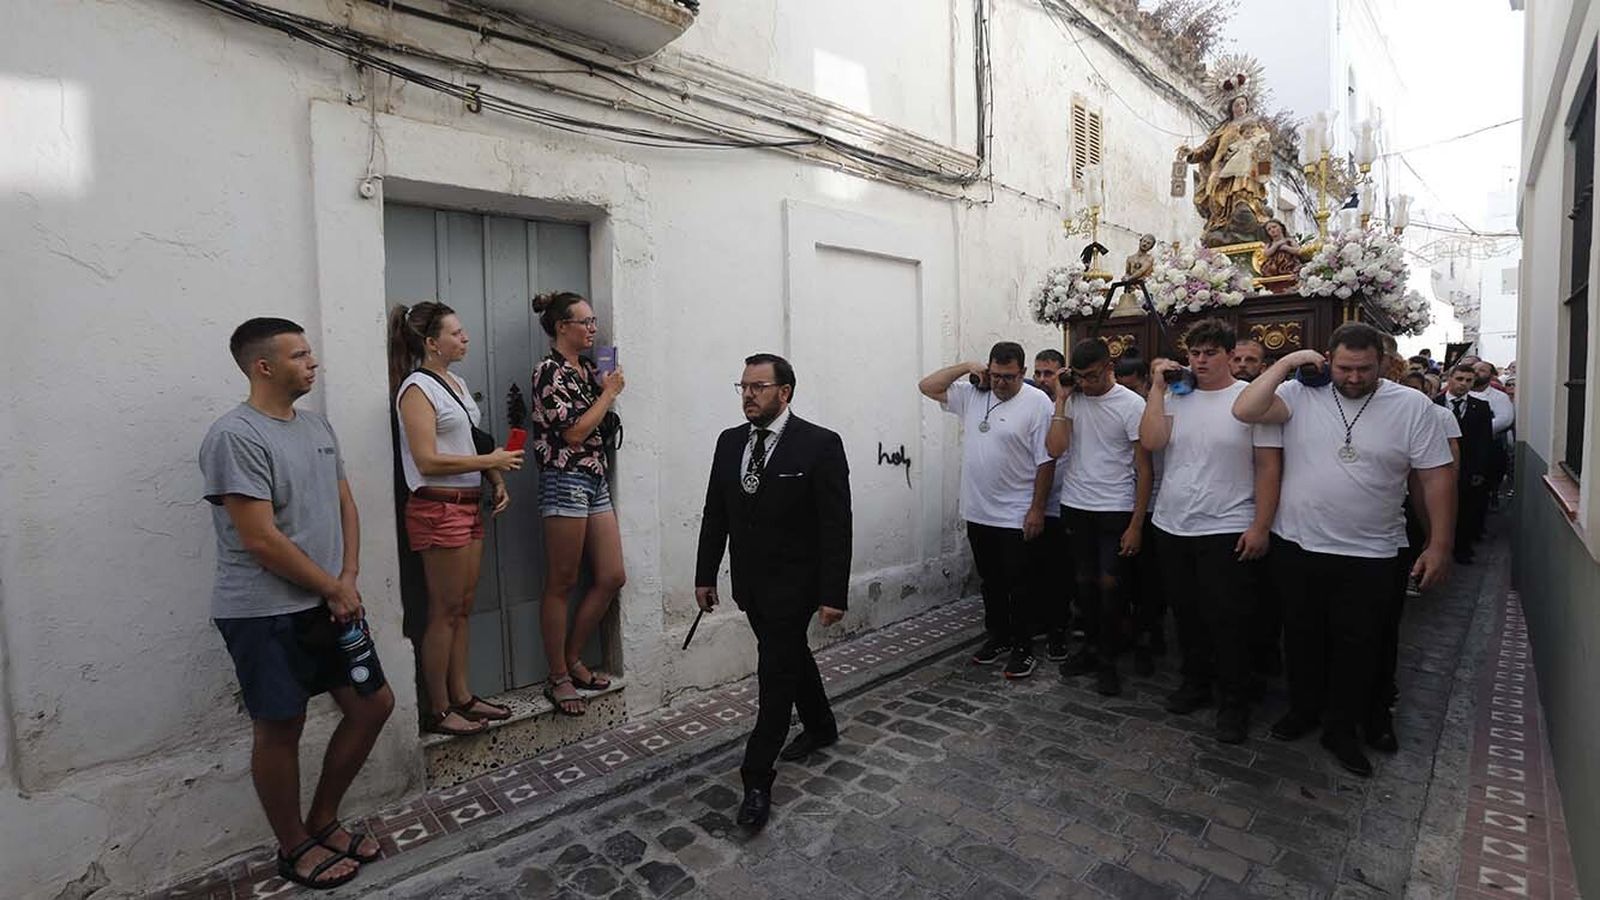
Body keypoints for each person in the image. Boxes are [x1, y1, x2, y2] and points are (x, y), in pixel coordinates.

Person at [200, 318, 394, 890]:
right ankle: (294, 846)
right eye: (300, 355)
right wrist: (331, 586)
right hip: (264, 610)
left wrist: (349, 575)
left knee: (371, 705)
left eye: (311, 353)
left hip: (332, 601)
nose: (313, 363)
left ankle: (323, 819)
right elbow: (259, 538)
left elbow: (345, 505)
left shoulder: (316, 427)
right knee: (281, 726)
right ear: (264, 367)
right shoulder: (235, 436)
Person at [1233, 323, 1455, 776]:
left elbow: (1435, 477)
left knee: (1360, 645)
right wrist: (1291, 363)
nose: (1354, 378)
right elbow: (1245, 407)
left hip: (1373, 553)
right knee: (1301, 637)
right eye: (1344, 368)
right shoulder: (1297, 396)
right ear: (1327, 361)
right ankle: (1304, 710)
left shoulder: (1412, 406)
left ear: (1383, 363)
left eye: (1364, 369)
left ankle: (1343, 727)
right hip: (1298, 544)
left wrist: (1440, 544)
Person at [695, 353, 852, 833]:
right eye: (743, 386)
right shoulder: (729, 443)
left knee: (774, 676)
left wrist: (833, 593)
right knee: (789, 656)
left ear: (785, 392)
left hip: (796, 586)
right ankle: (822, 726)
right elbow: (715, 512)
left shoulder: (820, 445)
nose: (748, 395)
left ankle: (756, 778)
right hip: (750, 586)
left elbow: (835, 525)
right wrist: (705, 576)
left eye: (759, 387)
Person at [1140, 319, 1283, 743]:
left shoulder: (1251, 400)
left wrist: (1261, 525)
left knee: (1229, 619)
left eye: (1210, 352)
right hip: (1173, 523)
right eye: (1194, 352)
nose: (1200, 360)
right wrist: (1156, 388)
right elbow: (1151, 441)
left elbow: (1268, 466)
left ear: (1228, 355)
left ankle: (1234, 701)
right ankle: (1195, 683)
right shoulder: (1176, 396)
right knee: (1186, 614)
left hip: (1227, 524)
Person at [389, 302, 524, 736]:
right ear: (432, 343)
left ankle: (463, 696)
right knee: (443, 611)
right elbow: (427, 459)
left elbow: (466, 439)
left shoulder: (457, 384)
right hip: (437, 507)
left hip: (467, 504)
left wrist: (494, 476)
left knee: (463, 608)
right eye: (456, 332)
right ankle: (439, 707)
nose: (465, 338)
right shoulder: (416, 388)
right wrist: (492, 458)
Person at [919, 343, 1056, 678]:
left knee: (1019, 583)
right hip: (978, 509)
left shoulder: (1038, 403)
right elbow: (927, 386)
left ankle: (1023, 647)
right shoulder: (973, 394)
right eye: (995, 375)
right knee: (991, 581)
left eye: (1008, 377)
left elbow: (1046, 460)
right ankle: (999, 636)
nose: (1000, 383)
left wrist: (1037, 509)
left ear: (1022, 373)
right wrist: (967, 365)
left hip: (1015, 511)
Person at [530, 292, 626, 716]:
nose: (593, 328)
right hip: (564, 477)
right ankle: (559, 676)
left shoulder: (588, 369)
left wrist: (604, 389)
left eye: (594, 320)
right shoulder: (548, 372)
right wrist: (609, 396)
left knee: (611, 576)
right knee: (562, 582)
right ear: (561, 327)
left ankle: (572, 657)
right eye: (585, 322)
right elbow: (572, 433)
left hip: (594, 477)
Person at [1050, 339, 1153, 697]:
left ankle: (1109, 658)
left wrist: (1137, 524)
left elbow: (1144, 468)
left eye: (1092, 376)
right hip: (1077, 504)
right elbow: (1055, 448)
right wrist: (1061, 400)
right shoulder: (1074, 399)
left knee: (1111, 585)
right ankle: (1091, 649)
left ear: (1109, 367)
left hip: (1115, 507)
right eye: (1080, 377)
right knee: (1083, 584)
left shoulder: (1131, 405)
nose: (1087, 384)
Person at [1113, 354, 1168, 666]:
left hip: (1156, 505)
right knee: (1125, 575)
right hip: (1122, 500)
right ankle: (1126, 629)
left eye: (1132, 388)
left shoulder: (1159, 409)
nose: (1126, 395)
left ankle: (1150, 633)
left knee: (1151, 578)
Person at [1030, 349, 1074, 661]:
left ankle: (1059, 631)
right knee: (1036, 570)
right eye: (1039, 373)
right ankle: (1039, 623)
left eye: (1050, 374)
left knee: (1061, 573)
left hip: (1063, 501)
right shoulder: (1030, 404)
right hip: (1032, 502)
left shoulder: (1072, 404)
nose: (1043, 380)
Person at [1439, 364, 1495, 565]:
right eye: (1459, 379)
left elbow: (1484, 441)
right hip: (1439, 464)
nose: (1463, 384)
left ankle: (1462, 548)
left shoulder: (1480, 407)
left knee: (1465, 508)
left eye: (1468, 380)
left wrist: (1479, 469)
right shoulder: (1433, 403)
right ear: (1450, 378)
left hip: (1468, 467)